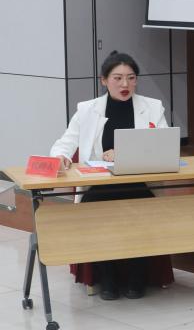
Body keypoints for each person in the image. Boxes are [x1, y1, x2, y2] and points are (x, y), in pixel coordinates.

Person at [50, 51, 169, 300]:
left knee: (142, 211)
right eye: (118, 78)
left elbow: (163, 145)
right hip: (99, 185)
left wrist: (123, 152)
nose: (125, 84)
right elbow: (65, 143)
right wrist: (61, 156)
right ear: (104, 80)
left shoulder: (152, 107)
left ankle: (137, 278)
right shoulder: (87, 109)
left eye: (131, 78)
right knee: (95, 211)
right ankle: (108, 278)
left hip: (138, 183)